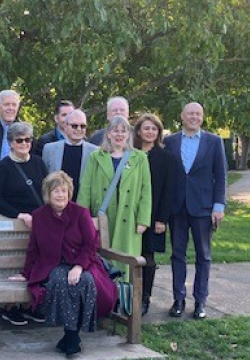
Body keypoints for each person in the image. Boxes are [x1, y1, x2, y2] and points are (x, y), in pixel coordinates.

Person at [11, 171, 116, 358]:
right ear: (48, 195)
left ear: (69, 193)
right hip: (53, 265)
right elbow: (33, 248)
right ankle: (72, 337)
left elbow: (91, 244)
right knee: (60, 281)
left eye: (64, 191)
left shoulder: (80, 213)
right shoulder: (40, 216)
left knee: (84, 281)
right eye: (56, 191)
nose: (60, 195)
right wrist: (26, 273)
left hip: (83, 262)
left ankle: (70, 336)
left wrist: (78, 266)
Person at [164, 102, 227, 319]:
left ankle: (200, 301)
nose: (194, 117)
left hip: (203, 207)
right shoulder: (170, 141)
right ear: (182, 116)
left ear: (202, 117)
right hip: (177, 207)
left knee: (204, 256)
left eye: (198, 114)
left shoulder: (214, 141)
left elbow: (221, 176)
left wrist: (219, 206)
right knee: (177, 255)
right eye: (190, 113)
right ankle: (178, 299)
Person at [0, 121, 49, 326]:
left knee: (31, 264)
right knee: (10, 266)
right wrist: (19, 215)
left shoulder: (39, 163)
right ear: (11, 142)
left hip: (36, 223)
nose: (24, 143)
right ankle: (10, 306)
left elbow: (46, 192)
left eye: (28, 139)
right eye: (19, 140)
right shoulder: (3, 166)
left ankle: (29, 304)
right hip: (10, 223)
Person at [78, 115, 151, 279]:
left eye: (123, 131)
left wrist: (143, 220)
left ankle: (125, 300)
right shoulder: (96, 157)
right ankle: (105, 298)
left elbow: (146, 191)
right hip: (102, 218)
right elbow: (85, 188)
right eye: (115, 131)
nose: (119, 135)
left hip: (129, 219)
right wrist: (85, 218)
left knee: (127, 261)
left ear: (128, 135)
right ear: (108, 133)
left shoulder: (139, 158)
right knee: (102, 260)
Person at [133, 113, 176, 315]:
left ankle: (144, 298)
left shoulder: (166, 158)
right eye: (146, 128)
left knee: (148, 258)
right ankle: (127, 295)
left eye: (154, 129)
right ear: (139, 131)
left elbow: (170, 190)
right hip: (131, 215)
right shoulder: (129, 154)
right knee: (129, 256)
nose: (150, 132)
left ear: (158, 132)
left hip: (154, 216)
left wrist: (162, 218)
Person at [42, 108, 98, 200]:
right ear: (66, 127)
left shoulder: (95, 152)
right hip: (55, 206)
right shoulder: (49, 149)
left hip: (83, 206)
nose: (79, 129)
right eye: (74, 126)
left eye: (82, 126)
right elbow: (45, 181)